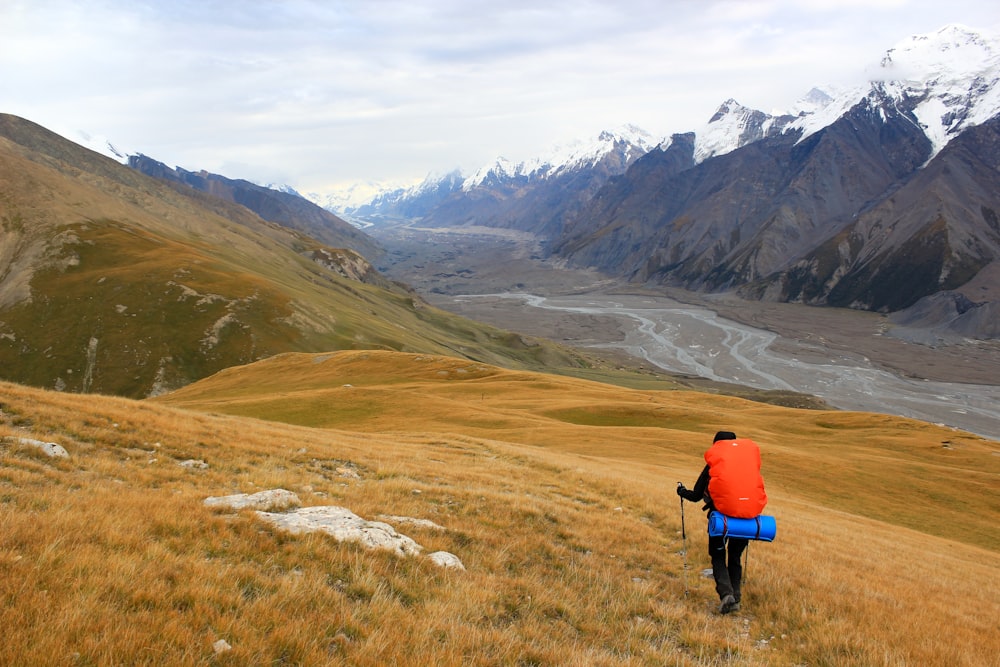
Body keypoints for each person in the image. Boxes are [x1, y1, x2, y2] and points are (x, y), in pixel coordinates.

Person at [677, 430, 767, 615]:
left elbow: (695, 495)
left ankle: (727, 595)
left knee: (718, 556)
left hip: (721, 519)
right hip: (746, 520)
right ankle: (736, 596)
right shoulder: (747, 464)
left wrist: (681, 491)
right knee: (735, 557)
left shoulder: (714, 466)